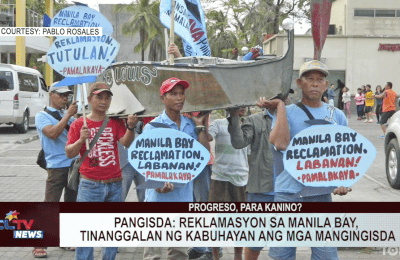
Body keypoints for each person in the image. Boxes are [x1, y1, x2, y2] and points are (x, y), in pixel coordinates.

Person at [268, 60, 351, 260]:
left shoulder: (337, 115)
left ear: (326, 85)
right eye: (310, 79)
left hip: (320, 195)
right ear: (299, 83)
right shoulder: (285, 112)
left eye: (319, 80)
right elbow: (279, 143)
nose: (315, 84)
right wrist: (280, 105)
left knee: (326, 256)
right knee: (282, 256)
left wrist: (344, 181)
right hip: (287, 195)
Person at [65, 82, 138, 260]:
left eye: (107, 97)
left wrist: (130, 127)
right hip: (89, 185)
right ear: (89, 99)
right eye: (99, 97)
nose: (103, 101)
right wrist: (81, 140)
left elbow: (126, 143)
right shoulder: (78, 124)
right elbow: (69, 153)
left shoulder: (114, 122)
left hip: (114, 184)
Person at [142, 77, 210, 260]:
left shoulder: (190, 125)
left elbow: (203, 155)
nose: (179, 98)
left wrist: (200, 125)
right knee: (153, 254)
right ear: (162, 98)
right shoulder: (152, 127)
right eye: (173, 94)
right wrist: (156, 182)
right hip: (158, 198)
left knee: (179, 253)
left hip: (182, 198)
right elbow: (143, 162)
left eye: (181, 93)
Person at [228, 93, 289, 259]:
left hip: (289, 192)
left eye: (283, 98)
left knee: (285, 241)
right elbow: (239, 143)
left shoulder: (293, 119)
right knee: (255, 240)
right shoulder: (254, 120)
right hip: (261, 191)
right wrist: (233, 116)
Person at [33, 83, 77, 258]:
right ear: (51, 95)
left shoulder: (68, 117)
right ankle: (39, 244)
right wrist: (67, 115)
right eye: (61, 95)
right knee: (50, 205)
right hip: (56, 166)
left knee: (70, 205)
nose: (64, 98)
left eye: (67, 95)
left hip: (73, 165)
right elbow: (52, 133)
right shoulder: (41, 116)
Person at [205, 107, 249, 260]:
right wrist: (203, 120)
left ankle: (238, 255)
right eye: (238, 105)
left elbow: (249, 154)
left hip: (241, 179)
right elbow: (208, 137)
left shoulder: (248, 126)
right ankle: (215, 256)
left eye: (244, 105)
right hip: (220, 178)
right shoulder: (218, 123)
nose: (241, 108)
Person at [119, 119, 145, 202]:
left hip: (144, 162)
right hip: (124, 162)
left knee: (146, 198)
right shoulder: (118, 119)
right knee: (119, 197)